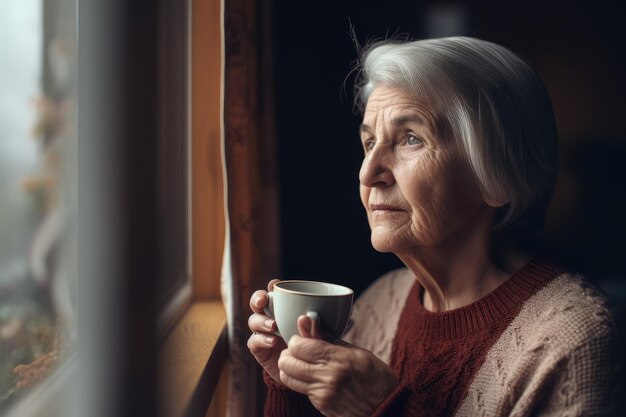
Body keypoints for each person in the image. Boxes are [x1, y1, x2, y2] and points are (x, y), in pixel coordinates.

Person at [247, 37, 621, 416]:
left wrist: (387, 407)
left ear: (496, 175)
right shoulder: (380, 303)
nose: (368, 173)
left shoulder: (575, 339)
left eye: (411, 139)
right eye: (370, 142)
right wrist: (290, 383)